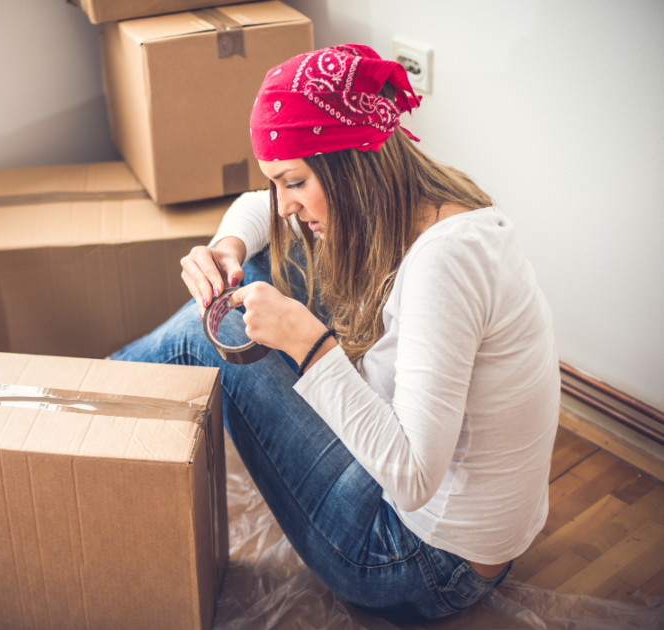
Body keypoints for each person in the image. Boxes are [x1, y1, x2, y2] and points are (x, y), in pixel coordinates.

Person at [111, 44, 560, 622]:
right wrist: (227, 248)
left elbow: (415, 478)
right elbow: (261, 207)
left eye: (294, 181)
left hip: (417, 558)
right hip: (457, 531)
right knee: (251, 268)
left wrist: (308, 343)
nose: (284, 203)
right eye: (278, 181)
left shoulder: (443, 268)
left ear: (350, 161)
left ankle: (69, 418)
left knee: (206, 330)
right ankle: (83, 406)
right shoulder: (431, 201)